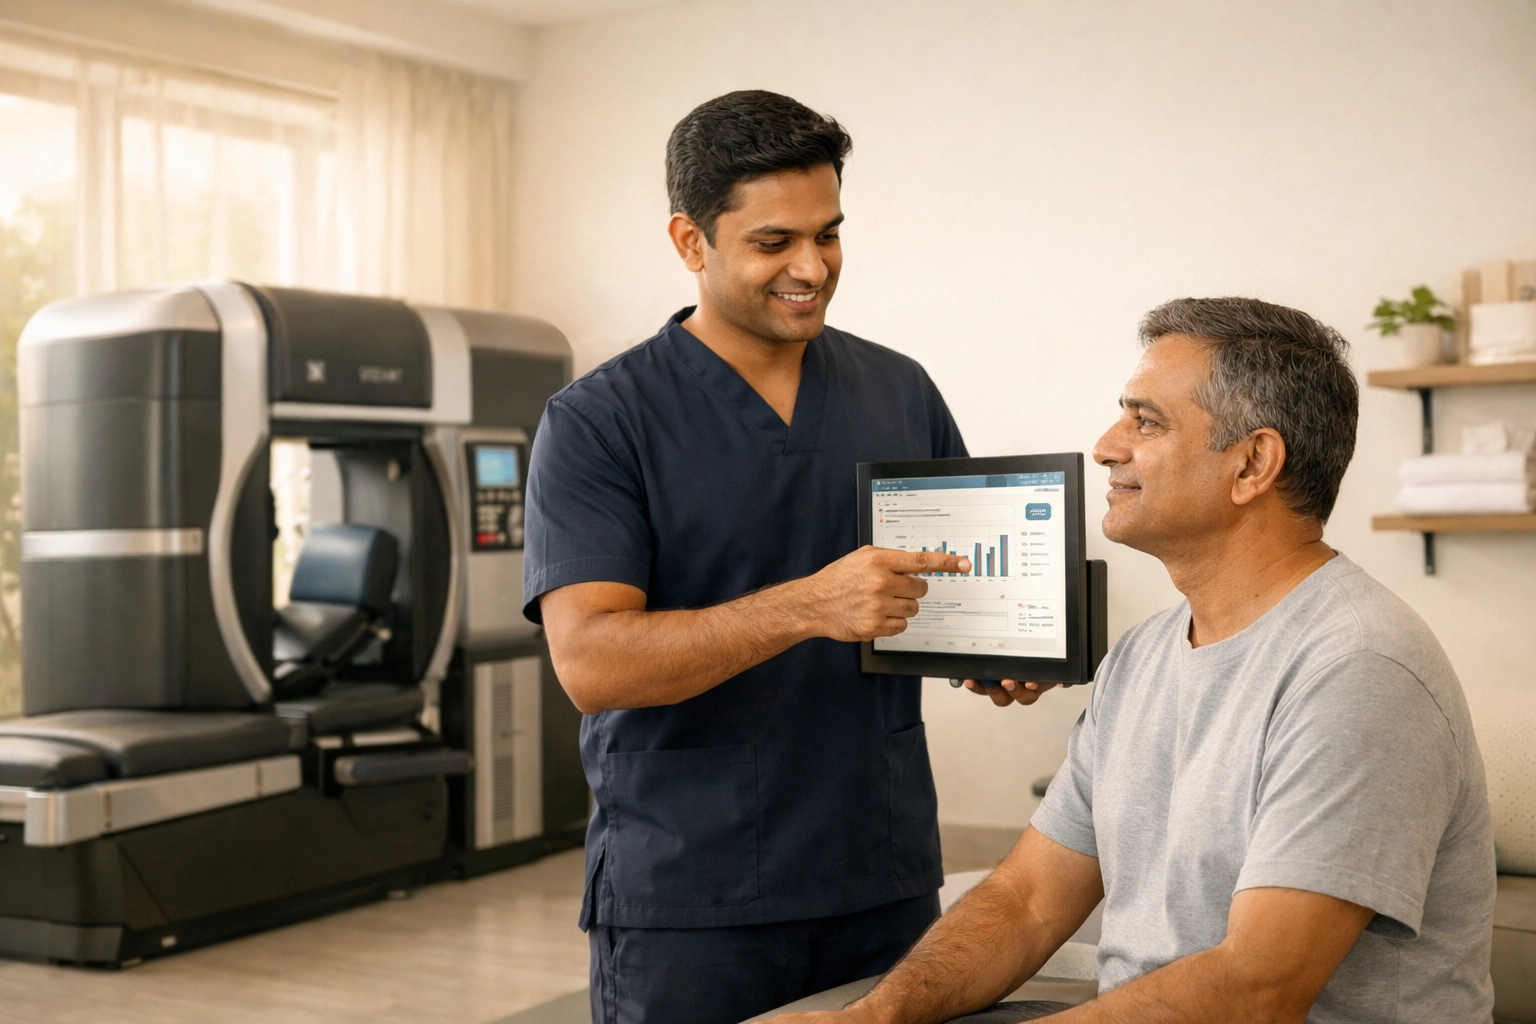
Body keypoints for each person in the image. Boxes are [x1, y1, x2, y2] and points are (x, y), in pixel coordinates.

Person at [771, 296, 1497, 1024]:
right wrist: (876, 1017)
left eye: (1145, 421)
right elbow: (1027, 901)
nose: (1106, 446)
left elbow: (1257, 989)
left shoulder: (1359, 672)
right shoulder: (1144, 657)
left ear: (1252, 464)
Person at [522, 90, 1055, 1024]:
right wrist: (808, 606)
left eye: (830, 234)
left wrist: (995, 649)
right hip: (692, 893)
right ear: (691, 242)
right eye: (775, 243)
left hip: (879, 876)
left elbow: (945, 589)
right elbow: (592, 662)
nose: (813, 268)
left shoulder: (899, 389)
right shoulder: (599, 423)